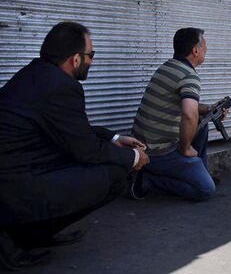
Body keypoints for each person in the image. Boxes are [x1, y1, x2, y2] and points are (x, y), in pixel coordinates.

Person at [0, 22, 149, 270]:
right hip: (12, 187)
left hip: (18, 172)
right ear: (76, 59)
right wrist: (133, 159)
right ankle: (22, 240)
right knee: (114, 175)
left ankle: (34, 234)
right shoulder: (60, 86)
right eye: (91, 55)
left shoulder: (35, 74)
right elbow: (87, 150)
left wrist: (114, 138)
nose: (92, 60)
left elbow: (71, 131)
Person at [130, 28, 222, 201]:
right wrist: (186, 149)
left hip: (142, 143)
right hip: (158, 152)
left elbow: (187, 107)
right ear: (195, 50)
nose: (206, 50)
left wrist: (211, 109)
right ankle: (149, 180)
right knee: (206, 189)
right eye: (205, 46)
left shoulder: (167, 67)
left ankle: (198, 171)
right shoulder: (189, 76)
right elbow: (188, 114)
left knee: (203, 123)